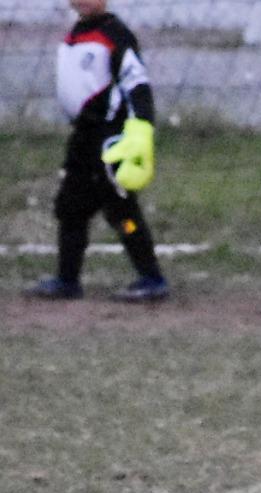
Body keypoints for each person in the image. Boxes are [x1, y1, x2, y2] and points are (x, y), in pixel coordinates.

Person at [26, 0, 168, 302]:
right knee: (70, 207)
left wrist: (141, 127)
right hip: (83, 136)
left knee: (121, 210)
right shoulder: (75, 34)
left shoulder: (116, 35)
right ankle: (67, 278)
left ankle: (151, 277)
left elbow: (138, 84)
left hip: (109, 135)